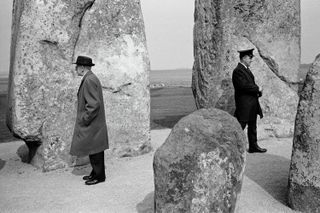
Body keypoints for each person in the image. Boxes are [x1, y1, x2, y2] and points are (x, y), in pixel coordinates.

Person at [70, 55, 109, 185]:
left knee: (95, 149)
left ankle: (99, 176)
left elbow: (93, 104)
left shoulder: (89, 80)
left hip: (93, 122)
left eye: (77, 66)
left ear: (82, 67)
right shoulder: (90, 78)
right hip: (95, 122)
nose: (75, 69)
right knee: (94, 148)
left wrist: (84, 119)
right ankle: (95, 173)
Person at [232, 48, 267, 153]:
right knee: (240, 126)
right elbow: (243, 86)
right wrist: (257, 89)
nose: (251, 60)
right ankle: (231, 146)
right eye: (250, 57)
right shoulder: (238, 70)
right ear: (244, 58)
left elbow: (249, 85)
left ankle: (253, 146)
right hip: (244, 105)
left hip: (251, 104)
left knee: (252, 126)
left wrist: (258, 92)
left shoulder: (245, 69)